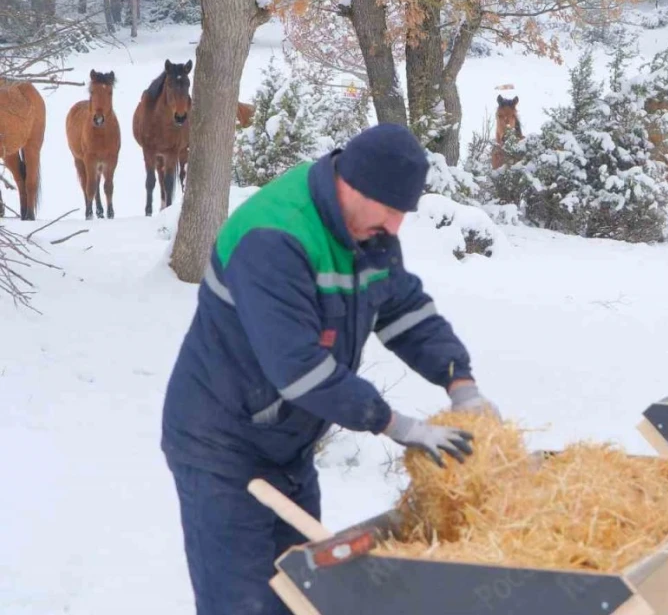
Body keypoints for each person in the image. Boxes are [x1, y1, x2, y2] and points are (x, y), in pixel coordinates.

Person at [160, 122, 500, 615]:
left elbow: (404, 309)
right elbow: (297, 368)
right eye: (390, 212)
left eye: (403, 215)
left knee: (303, 593)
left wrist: (460, 382)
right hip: (223, 446)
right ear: (353, 186)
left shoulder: (367, 228)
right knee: (244, 602)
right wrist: (394, 424)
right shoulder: (275, 238)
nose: (395, 228)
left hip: (287, 442)